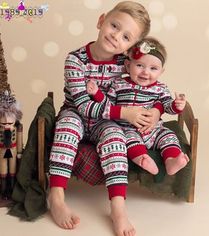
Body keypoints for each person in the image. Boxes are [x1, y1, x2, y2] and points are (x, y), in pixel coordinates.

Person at [48, 2, 161, 236]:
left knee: (115, 135)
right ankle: (56, 196)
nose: (116, 36)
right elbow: (83, 105)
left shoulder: (126, 64)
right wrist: (124, 113)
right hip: (76, 113)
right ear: (101, 21)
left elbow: (149, 86)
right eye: (114, 25)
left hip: (105, 122)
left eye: (126, 36)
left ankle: (118, 208)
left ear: (132, 46)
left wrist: (157, 111)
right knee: (67, 126)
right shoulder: (75, 60)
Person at [87, 36, 189, 176]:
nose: (145, 72)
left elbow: (166, 106)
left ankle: (171, 161)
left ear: (161, 72)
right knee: (129, 141)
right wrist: (97, 93)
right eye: (140, 65)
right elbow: (108, 106)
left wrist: (176, 105)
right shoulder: (118, 84)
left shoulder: (160, 88)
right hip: (127, 129)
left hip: (153, 130)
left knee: (168, 136)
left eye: (153, 68)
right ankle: (142, 158)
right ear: (128, 65)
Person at [0, 90, 23, 200]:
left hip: (13, 151)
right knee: (3, 170)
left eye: (10, 123)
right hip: (2, 152)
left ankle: (13, 189)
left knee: (13, 170)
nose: (7, 125)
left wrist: (19, 152)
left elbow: (19, 140)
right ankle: (4, 191)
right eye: (3, 123)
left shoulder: (17, 128)